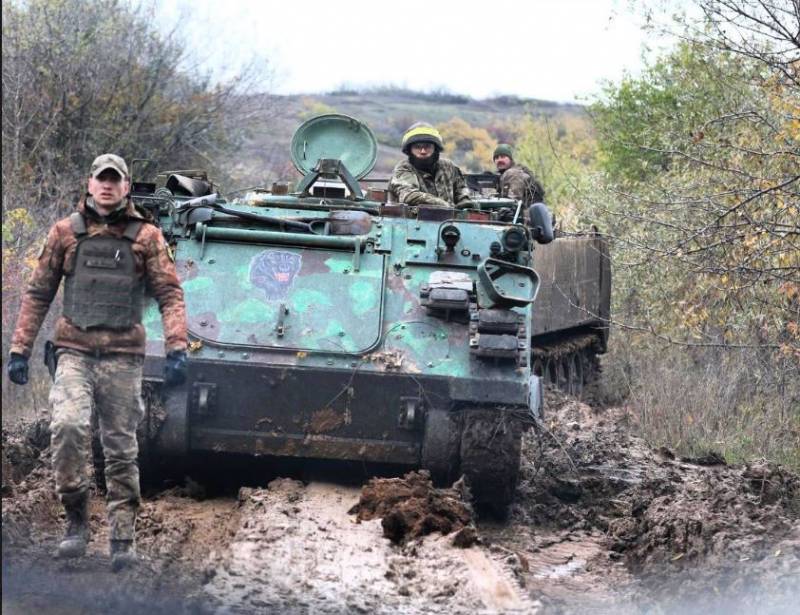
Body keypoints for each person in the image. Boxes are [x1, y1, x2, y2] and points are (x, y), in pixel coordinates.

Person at [7, 153, 188, 571]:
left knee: (121, 446)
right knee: (68, 428)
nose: (107, 186)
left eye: (115, 180)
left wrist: (177, 348)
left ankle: (123, 537)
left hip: (123, 358)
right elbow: (38, 293)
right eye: (100, 179)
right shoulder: (65, 234)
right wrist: (20, 350)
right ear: (90, 184)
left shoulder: (147, 237)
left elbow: (170, 294)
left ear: (126, 186)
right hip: (74, 351)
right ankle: (76, 523)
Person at [389, 122, 475, 208]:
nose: (423, 151)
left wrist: (464, 200)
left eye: (427, 146)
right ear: (409, 150)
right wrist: (443, 205)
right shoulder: (404, 169)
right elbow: (409, 195)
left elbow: (461, 188)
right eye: (417, 147)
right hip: (413, 219)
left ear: (435, 148)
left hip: (450, 219)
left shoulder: (448, 166)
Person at [493, 143, 545, 219]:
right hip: (531, 215)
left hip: (527, 217)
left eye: (503, 157)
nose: (499, 160)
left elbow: (512, 203)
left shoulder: (513, 173)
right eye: (496, 158)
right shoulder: (506, 174)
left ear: (510, 159)